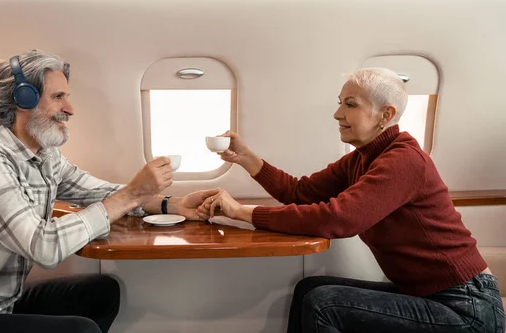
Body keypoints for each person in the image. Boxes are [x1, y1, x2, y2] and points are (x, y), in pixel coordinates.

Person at [0, 50, 218, 333]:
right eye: (58, 97)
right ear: (23, 99)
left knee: (101, 292)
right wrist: (132, 195)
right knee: (78, 331)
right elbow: (43, 246)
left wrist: (173, 204)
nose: (70, 109)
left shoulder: (44, 154)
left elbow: (98, 191)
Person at [198, 67, 505, 333]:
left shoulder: (404, 159)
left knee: (324, 304)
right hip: (427, 294)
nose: (337, 114)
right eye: (339, 103)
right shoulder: (361, 159)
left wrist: (242, 212)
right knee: (310, 290)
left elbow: (339, 219)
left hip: (468, 307)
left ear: (386, 115)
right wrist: (246, 158)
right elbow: (299, 193)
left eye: (350, 105)